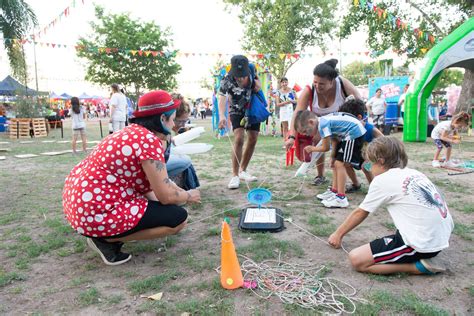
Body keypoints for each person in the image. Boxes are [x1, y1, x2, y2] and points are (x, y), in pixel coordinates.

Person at [62, 90, 201, 266]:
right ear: (162, 119)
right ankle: (106, 240)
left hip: (80, 204)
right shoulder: (149, 141)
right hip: (95, 209)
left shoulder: (131, 132)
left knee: (168, 208)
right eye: (173, 119)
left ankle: (104, 234)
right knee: (178, 219)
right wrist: (189, 196)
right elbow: (166, 196)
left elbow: (153, 188)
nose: (174, 124)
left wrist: (175, 196)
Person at [328, 137, 453, 275]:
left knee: (357, 259)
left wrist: (337, 234)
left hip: (422, 244)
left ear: (380, 162)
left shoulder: (383, 180)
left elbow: (361, 212)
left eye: (369, 165)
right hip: (440, 237)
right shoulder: (414, 173)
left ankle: (418, 267)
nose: (369, 168)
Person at [285, 59, 361, 186]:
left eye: (322, 84)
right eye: (315, 82)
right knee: (329, 153)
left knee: (340, 158)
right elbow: (297, 114)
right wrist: (292, 137)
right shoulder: (309, 90)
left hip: (342, 127)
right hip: (321, 124)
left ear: (332, 82)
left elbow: (360, 102)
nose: (317, 86)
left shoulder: (342, 84)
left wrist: (361, 120)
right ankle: (322, 177)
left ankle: (351, 185)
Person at [294, 107, 366, 208]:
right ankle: (334, 191)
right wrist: (333, 157)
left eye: (305, 131)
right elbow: (335, 140)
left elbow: (326, 147)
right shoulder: (324, 121)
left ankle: (341, 198)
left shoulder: (323, 124)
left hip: (353, 134)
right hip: (346, 136)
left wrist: (312, 149)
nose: (307, 134)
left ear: (311, 122)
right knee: (335, 164)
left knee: (340, 164)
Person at [218, 55, 261, 189]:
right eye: (238, 75)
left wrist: (256, 84)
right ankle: (235, 175)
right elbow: (222, 97)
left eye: (243, 75)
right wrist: (221, 116)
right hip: (236, 109)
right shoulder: (227, 79)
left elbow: (258, 86)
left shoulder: (252, 71)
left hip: (252, 108)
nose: (240, 78)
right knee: (239, 138)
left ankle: (243, 170)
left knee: (253, 138)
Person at [333, 98, 383, 193]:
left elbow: (385, 141)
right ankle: (356, 184)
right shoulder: (348, 129)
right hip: (356, 154)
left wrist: (373, 156)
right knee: (345, 163)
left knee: (365, 167)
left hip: (370, 156)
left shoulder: (370, 129)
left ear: (359, 118)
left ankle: (374, 189)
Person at [165, 93, 200, 190]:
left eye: (186, 121)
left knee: (183, 158)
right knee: (185, 161)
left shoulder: (167, 132)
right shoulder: (163, 132)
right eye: (180, 121)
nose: (183, 125)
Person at [276, 77, 297, 144]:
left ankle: (292, 141)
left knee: (291, 126)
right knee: (285, 127)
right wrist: (286, 102)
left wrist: (291, 101)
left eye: (285, 82)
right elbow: (277, 104)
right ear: (281, 83)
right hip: (283, 110)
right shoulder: (278, 92)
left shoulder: (292, 91)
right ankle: (286, 142)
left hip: (291, 109)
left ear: (287, 83)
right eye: (283, 82)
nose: (284, 84)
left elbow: (297, 100)